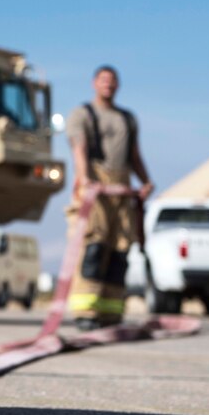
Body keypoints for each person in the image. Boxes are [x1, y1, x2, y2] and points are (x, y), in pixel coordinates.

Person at [64, 65, 153, 330]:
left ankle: (112, 311)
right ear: (94, 83)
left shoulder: (128, 118)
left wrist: (145, 181)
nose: (109, 85)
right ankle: (86, 311)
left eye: (113, 81)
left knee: (120, 249)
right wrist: (86, 178)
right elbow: (79, 149)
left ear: (118, 85)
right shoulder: (82, 114)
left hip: (122, 184)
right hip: (96, 182)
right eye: (104, 80)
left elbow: (134, 155)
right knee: (95, 245)